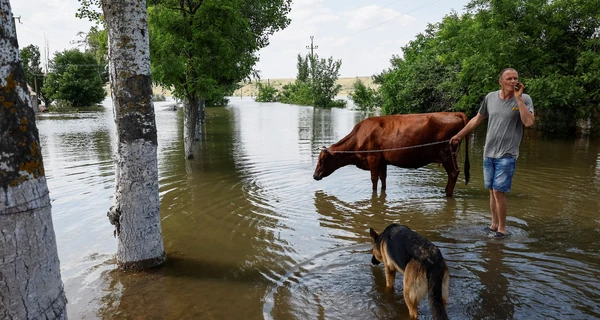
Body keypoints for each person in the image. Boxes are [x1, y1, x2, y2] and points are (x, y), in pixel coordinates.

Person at [450, 68, 534, 237]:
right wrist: (459, 135)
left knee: (498, 191)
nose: (513, 81)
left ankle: (502, 230)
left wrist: (519, 100)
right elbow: (477, 119)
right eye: (509, 78)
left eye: (515, 78)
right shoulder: (490, 97)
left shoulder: (524, 99)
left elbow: (528, 122)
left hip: (507, 154)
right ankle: (494, 225)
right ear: (500, 82)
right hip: (489, 153)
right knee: (491, 190)